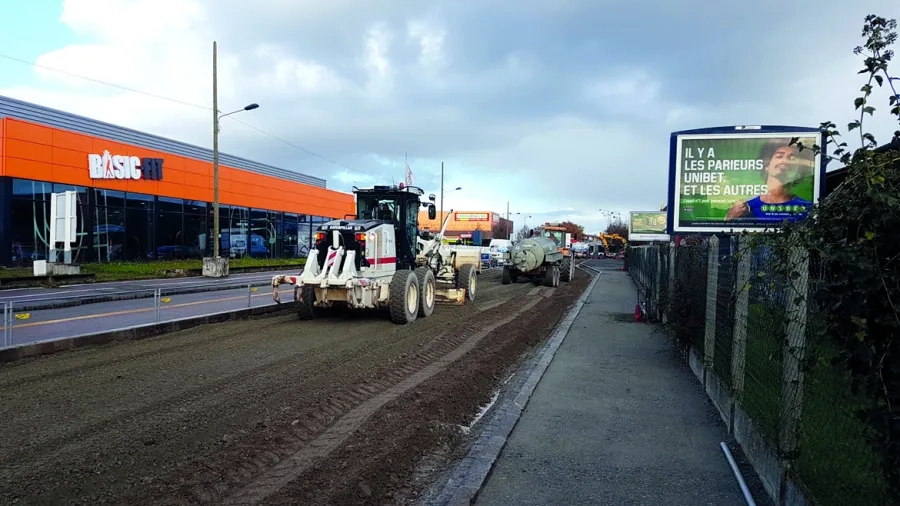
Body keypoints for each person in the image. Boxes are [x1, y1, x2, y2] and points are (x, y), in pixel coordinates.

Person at [725, 139, 815, 221]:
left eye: (793, 158)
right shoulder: (744, 209)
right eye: (779, 156)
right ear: (767, 166)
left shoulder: (809, 209)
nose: (785, 160)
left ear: (799, 170)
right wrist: (729, 219)